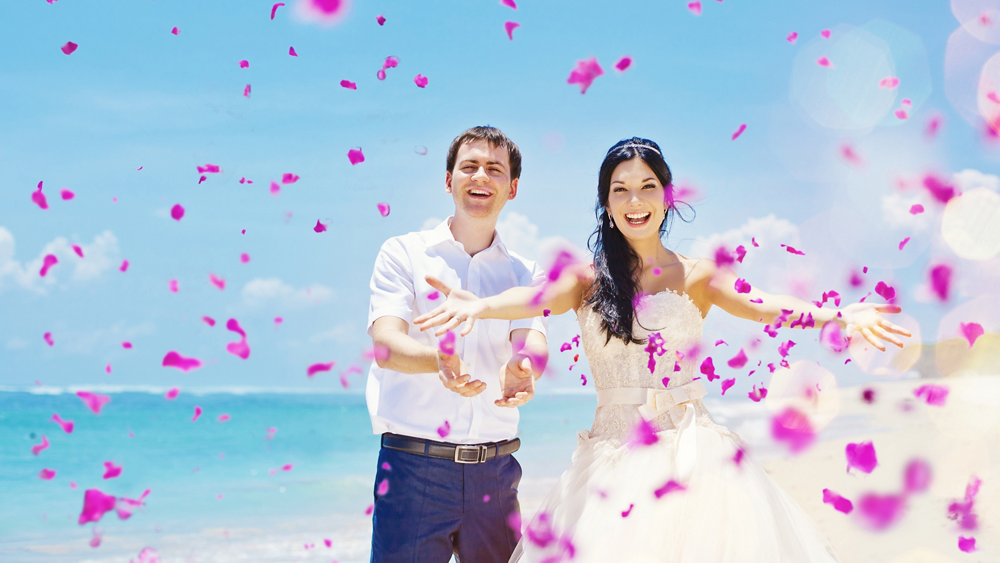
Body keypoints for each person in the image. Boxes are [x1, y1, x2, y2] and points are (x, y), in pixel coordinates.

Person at [413, 137, 913, 562]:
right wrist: (478, 304)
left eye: (648, 186)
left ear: (667, 197)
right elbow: (530, 299)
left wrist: (838, 314)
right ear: (606, 203)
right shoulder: (585, 280)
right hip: (609, 458)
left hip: (693, 453)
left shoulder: (698, 275)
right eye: (621, 189)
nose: (635, 200)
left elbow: (764, 306)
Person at [365, 126, 549, 563]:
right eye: (469, 166)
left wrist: (524, 368)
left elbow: (532, 338)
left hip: (496, 474)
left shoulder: (527, 272)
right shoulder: (403, 253)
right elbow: (386, 344)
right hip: (414, 468)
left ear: (513, 187)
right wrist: (437, 362)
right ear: (449, 180)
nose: (480, 176)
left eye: (494, 169)